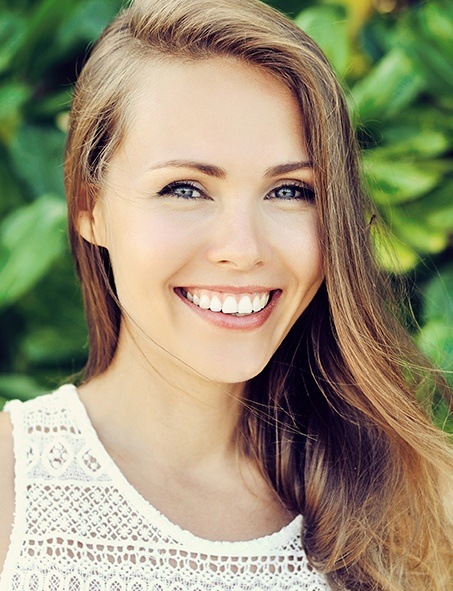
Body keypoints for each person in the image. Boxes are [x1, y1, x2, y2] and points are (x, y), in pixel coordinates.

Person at [0, 0, 452, 589]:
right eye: (185, 188)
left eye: (291, 190)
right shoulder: (13, 489)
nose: (243, 248)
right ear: (91, 208)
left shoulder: (423, 503)